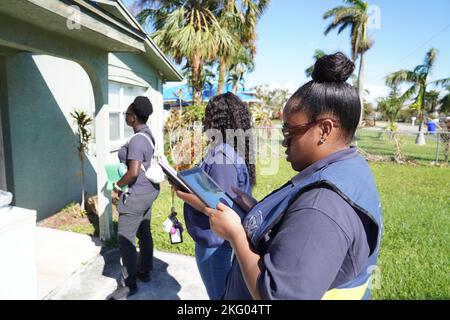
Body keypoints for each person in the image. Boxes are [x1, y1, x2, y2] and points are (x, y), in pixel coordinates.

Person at [176, 52, 382, 300]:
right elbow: (296, 232)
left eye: (290, 131)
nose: (283, 141)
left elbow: (277, 295)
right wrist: (260, 212)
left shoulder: (322, 205)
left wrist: (236, 235)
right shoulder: (346, 168)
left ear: (325, 129)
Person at [183, 92, 256, 300]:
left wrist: (182, 191)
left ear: (216, 120)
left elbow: (219, 207)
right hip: (220, 241)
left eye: (207, 117)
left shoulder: (222, 156)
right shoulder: (229, 151)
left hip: (215, 245)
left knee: (219, 297)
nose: (204, 123)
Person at [107, 96, 160, 300]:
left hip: (136, 194)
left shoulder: (138, 139)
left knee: (125, 239)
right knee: (143, 231)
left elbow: (134, 172)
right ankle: (144, 271)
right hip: (149, 192)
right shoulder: (148, 134)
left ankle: (129, 285)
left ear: (134, 117)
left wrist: (117, 185)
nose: (125, 117)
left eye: (127, 114)